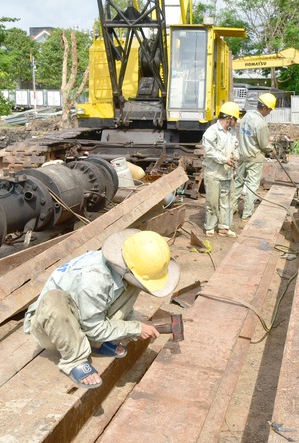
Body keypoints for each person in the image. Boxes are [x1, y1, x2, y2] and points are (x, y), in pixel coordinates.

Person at [23, 229, 180, 388]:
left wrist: (132, 325)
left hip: (83, 314)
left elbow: (124, 303)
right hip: (49, 327)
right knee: (54, 299)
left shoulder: (124, 267)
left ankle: (96, 342)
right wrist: (135, 328)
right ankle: (75, 359)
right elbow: (92, 326)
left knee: (133, 285)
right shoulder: (95, 278)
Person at [233, 92, 276, 221]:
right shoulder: (261, 123)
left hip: (242, 155)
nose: (269, 112)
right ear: (265, 108)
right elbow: (264, 145)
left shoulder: (246, 116)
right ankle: (246, 214)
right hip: (254, 158)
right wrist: (271, 148)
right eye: (270, 110)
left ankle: (232, 208)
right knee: (252, 186)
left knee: (238, 183)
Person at [202, 101, 241, 238]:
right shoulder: (211, 132)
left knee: (226, 202)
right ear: (228, 119)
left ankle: (224, 227)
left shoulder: (231, 133)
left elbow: (236, 146)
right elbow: (209, 151)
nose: (236, 122)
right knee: (212, 201)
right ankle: (210, 226)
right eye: (235, 119)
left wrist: (236, 155)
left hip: (227, 173)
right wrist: (225, 159)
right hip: (213, 173)